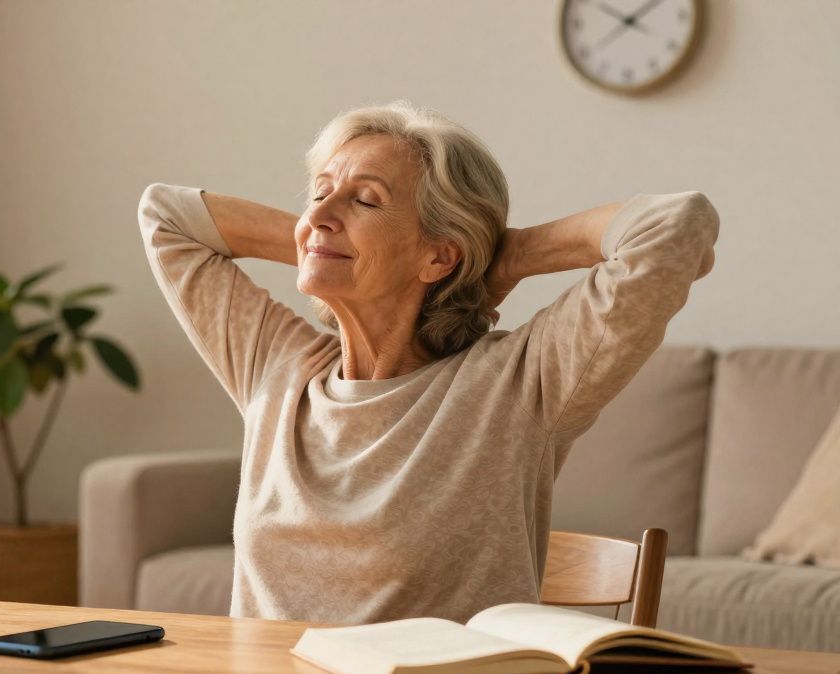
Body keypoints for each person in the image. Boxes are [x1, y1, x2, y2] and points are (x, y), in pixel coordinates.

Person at [136, 99, 720, 626]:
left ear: (440, 255)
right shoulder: (277, 366)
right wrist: (317, 238)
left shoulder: (519, 384)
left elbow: (675, 225)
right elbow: (165, 214)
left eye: (365, 199)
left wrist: (505, 256)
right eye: (318, 193)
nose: (320, 213)